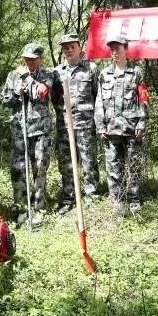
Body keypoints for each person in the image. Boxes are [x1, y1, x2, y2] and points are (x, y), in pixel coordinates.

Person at [1, 43, 62, 225]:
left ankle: (38, 207)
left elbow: (39, 94)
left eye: (33, 59)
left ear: (40, 59)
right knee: (18, 169)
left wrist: (27, 79)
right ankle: (22, 207)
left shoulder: (48, 75)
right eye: (27, 59)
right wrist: (15, 93)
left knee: (40, 168)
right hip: (19, 129)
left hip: (40, 129)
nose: (29, 62)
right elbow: (5, 100)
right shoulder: (13, 75)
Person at [95, 35, 149, 214]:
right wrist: (101, 126)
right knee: (113, 166)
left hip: (132, 128)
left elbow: (143, 98)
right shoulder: (104, 74)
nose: (114, 52)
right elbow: (99, 102)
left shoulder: (137, 72)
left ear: (126, 49)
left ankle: (133, 199)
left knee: (133, 165)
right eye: (112, 49)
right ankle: (116, 200)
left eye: (118, 48)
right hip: (111, 128)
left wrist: (142, 122)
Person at [55, 33, 101, 213]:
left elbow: (99, 97)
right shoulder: (57, 72)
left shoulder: (91, 68)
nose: (68, 50)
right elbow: (55, 99)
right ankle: (68, 198)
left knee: (89, 163)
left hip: (86, 124)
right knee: (66, 165)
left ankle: (92, 198)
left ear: (79, 47)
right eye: (65, 47)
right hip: (65, 126)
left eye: (72, 46)